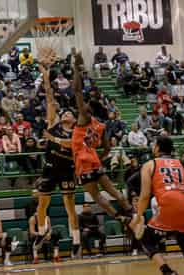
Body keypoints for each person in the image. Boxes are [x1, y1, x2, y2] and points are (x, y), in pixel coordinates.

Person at [71, 53, 133, 226]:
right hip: (95, 160)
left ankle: (118, 217)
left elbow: (76, 90)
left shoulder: (83, 119)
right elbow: (106, 149)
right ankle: (129, 209)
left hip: (83, 163)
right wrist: (99, 157)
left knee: (97, 196)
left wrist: (76, 69)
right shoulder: (102, 126)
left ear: (88, 108)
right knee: (113, 190)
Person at [130, 136, 184, 275]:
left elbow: (145, 195)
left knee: (146, 239)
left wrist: (138, 216)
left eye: (153, 145)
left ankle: (167, 272)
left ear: (157, 148)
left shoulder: (150, 164)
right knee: (183, 239)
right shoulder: (183, 164)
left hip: (170, 203)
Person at [33, 60, 81, 258]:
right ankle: (43, 232)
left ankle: (76, 240)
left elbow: (69, 145)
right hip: (50, 168)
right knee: (42, 203)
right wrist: (46, 77)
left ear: (74, 119)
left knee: (69, 204)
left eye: (68, 113)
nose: (65, 113)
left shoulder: (77, 132)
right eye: (64, 112)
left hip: (67, 168)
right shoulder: (53, 122)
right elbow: (50, 99)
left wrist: (52, 138)